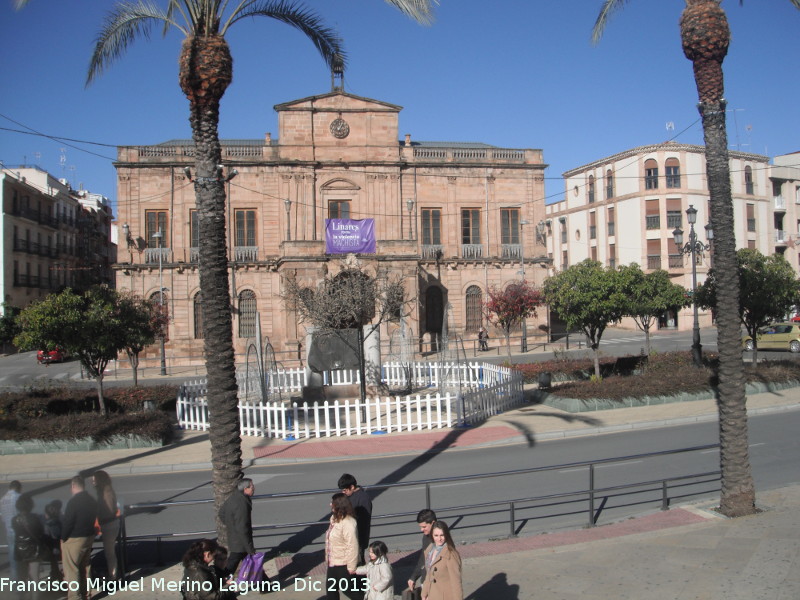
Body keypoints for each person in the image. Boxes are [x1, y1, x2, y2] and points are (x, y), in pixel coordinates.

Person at [61, 475, 98, 600]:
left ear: (73, 486)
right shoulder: (91, 500)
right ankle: (86, 594)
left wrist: (63, 537)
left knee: (72, 569)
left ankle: (75, 597)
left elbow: (68, 522)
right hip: (89, 536)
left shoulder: (73, 502)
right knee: (85, 568)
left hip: (75, 539)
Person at [325, 492, 362, 600]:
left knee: (350, 592)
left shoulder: (349, 523)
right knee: (331, 591)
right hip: (333, 563)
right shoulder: (334, 519)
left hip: (344, 565)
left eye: (333, 502)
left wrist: (351, 567)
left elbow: (353, 546)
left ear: (339, 505)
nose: (330, 504)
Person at [12, 493, 48, 594]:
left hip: (19, 551)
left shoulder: (14, 520)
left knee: (22, 579)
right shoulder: (35, 518)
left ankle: (22, 597)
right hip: (34, 551)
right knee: (35, 579)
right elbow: (40, 532)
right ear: (30, 505)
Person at [218, 478, 255, 575]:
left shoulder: (234, 497)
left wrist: (231, 525)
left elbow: (221, 513)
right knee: (231, 566)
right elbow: (243, 527)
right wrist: (250, 548)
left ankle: (265, 585)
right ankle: (223, 585)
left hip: (236, 540)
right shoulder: (242, 503)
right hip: (241, 542)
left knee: (252, 564)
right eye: (251, 486)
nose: (253, 488)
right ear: (245, 489)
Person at [421, 521, 461, 600]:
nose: (439, 539)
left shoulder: (451, 554)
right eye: (436, 535)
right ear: (432, 535)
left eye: (442, 535)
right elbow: (428, 574)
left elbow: (456, 582)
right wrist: (424, 593)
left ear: (446, 535)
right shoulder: (429, 549)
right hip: (432, 595)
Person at [338, 473, 372, 564]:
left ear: (352, 487)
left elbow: (364, 522)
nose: (343, 492)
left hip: (357, 537)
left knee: (357, 562)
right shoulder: (349, 496)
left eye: (345, 490)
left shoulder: (363, 499)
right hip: (350, 536)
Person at [92, 470, 120, 580]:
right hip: (109, 524)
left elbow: (108, 511)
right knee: (110, 552)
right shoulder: (105, 491)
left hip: (108, 525)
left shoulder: (106, 493)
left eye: (94, 480)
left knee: (109, 553)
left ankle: (112, 576)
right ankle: (112, 574)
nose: (93, 483)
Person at [404, 508, 437, 600]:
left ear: (433, 523)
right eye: (420, 527)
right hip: (426, 581)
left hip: (435, 584)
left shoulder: (441, 540)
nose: (422, 530)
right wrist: (413, 577)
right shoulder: (426, 537)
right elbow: (423, 558)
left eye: (424, 526)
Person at [1, 480, 22, 579]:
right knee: (22, 560)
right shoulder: (18, 497)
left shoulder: (2, 500)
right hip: (18, 532)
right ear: (18, 488)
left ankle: (15, 586)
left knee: (13, 561)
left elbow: (3, 517)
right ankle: (22, 585)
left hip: (9, 531)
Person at [43, 500, 63, 580]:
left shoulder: (49, 524)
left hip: (53, 550)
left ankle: (55, 576)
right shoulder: (59, 522)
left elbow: (50, 537)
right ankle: (56, 575)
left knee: (53, 562)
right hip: (59, 549)